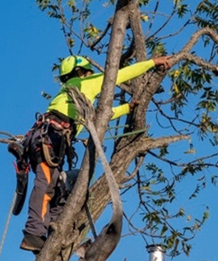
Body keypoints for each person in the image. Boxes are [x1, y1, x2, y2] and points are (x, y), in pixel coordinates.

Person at [20, 55, 172, 253]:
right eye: (88, 71)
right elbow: (117, 75)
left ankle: (53, 234)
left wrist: (126, 108)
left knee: (59, 190)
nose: (91, 74)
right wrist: (152, 63)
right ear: (80, 72)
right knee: (46, 182)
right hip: (49, 138)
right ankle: (34, 233)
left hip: (50, 138)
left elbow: (97, 117)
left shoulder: (73, 99)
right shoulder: (81, 84)